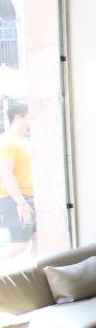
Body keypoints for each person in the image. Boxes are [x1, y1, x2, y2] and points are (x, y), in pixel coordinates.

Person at [0, 100, 35, 260]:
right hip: (14, 199)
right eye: (30, 113)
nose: (34, 117)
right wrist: (21, 203)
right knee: (19, 244)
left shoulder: (25, 142)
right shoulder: (7, 141)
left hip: (30, 197)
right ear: (19, 117)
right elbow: (5, 173)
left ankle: (39, 281)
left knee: (39, 240)